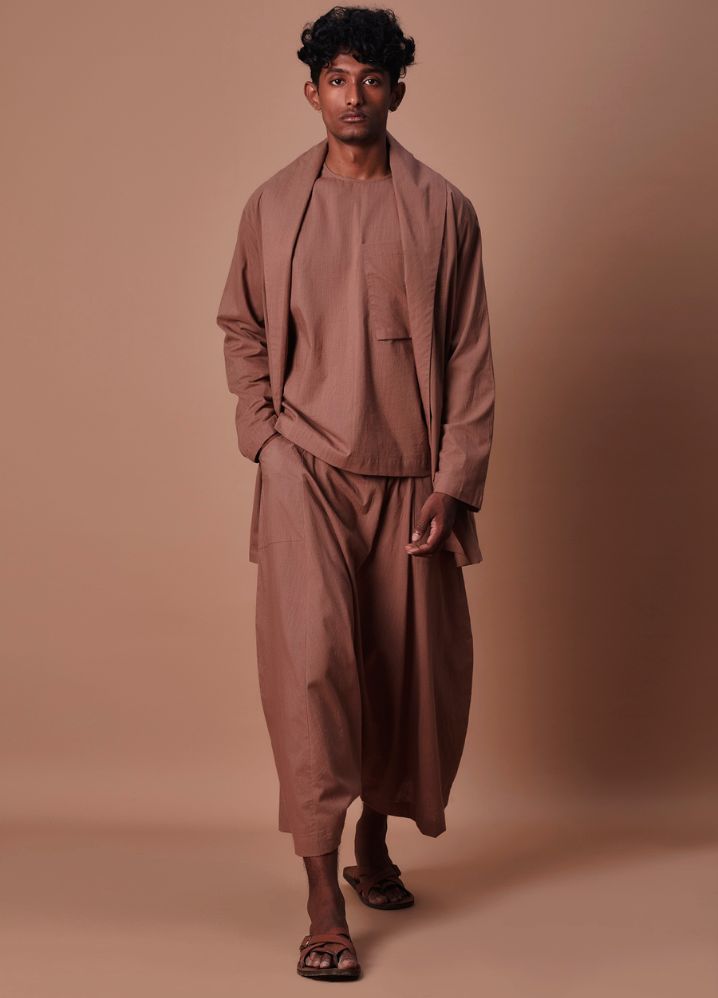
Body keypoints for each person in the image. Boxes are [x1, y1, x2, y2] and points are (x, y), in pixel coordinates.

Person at [215, 6, 495, 981]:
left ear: (396, 92)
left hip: (410, 478)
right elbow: (241, 327)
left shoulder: (445, 210)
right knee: (313, 673)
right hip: (306, 476)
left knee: (404, 676)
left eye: (372, 79)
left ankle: (375, 839)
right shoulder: (272, 206)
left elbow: (468, 354)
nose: (354, 96)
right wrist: (266, 441)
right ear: (312, 92)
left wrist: (454, 482)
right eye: (337, 78)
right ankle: (323, 897)